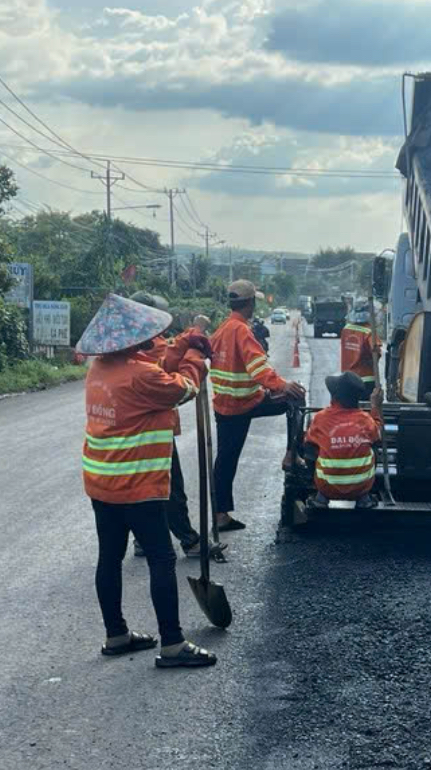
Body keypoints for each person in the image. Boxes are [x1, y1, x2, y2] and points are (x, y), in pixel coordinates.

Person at [78, 293, 216, 668]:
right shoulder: (142, 376)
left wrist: (183, 343)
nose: (152, 340)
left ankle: (116, 634)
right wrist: (196, 359)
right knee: (161, 557)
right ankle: (172, 643)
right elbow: (183, 387)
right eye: (145, 336)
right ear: (133, 341)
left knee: (109, 556)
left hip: (102, 481)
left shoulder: (101, 368)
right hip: (137, 484)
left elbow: (158, 364)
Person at [126, 292, 223, 561]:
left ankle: (142, 539)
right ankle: (189, 540)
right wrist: (195, 344)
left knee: (142, 487)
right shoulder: (149, 347)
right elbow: (176, 373)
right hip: (154, 429)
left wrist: (192, 334)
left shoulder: (124, 348)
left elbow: (170, 348)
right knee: (170, 488)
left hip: (131, 429)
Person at [209, 279, 306, 531]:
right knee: (296, 398)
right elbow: (258, 368)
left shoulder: (222, 329)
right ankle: (291, 454)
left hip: (225, 405)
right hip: (245, 402)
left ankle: (220, 515)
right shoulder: (240, 330)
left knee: (225, 460)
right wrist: (282, 385)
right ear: (250, 303)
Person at [303, 372, 383, 510]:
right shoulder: (366, 420)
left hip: (327, 487)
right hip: (361, 488)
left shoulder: (321, 418)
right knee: (374, 445)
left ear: (334, 396)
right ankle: (364, 499)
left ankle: (321, 497)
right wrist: (375, 406)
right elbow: (378, 434)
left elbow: (308, 444)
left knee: (310, 446)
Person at [340, 299, 379, 388]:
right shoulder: (369, 332)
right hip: (366, 379)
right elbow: (376, 353)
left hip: (347, 378)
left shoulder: (345, 329)